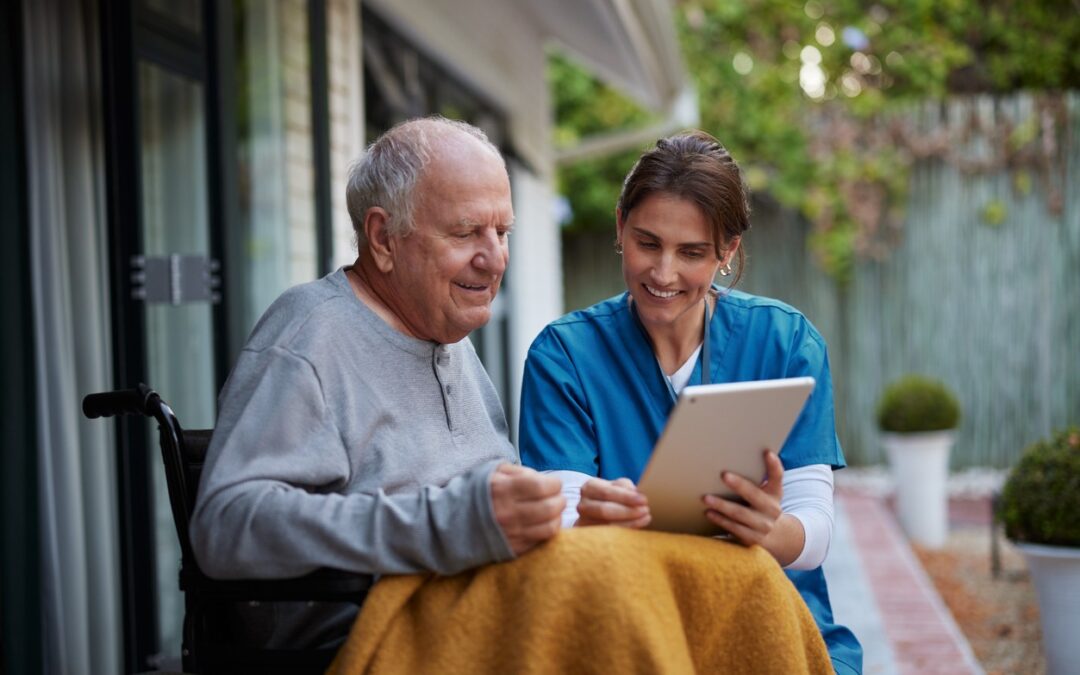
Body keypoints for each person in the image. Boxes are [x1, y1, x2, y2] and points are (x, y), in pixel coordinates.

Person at [189, 116, 565, 647]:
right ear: (383, 238)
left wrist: (562, 505)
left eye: (502, 232)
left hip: (477, 612)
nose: (495, 258)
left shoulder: (445, 328)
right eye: (465, 232)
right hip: (372, 640)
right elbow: (226, 526)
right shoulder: (309, 336)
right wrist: (444, 526)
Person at [518, 131, 863, 674]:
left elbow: (813, 531)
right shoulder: (565, 356)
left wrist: (770, 533)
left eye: (693, 253)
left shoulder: (785, 342)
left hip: (767, 621)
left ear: (727, 252)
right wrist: (584, 522)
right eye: (647, 243)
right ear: (619, 228)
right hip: (627, 628)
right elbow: (559, 528)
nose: (663, 273)